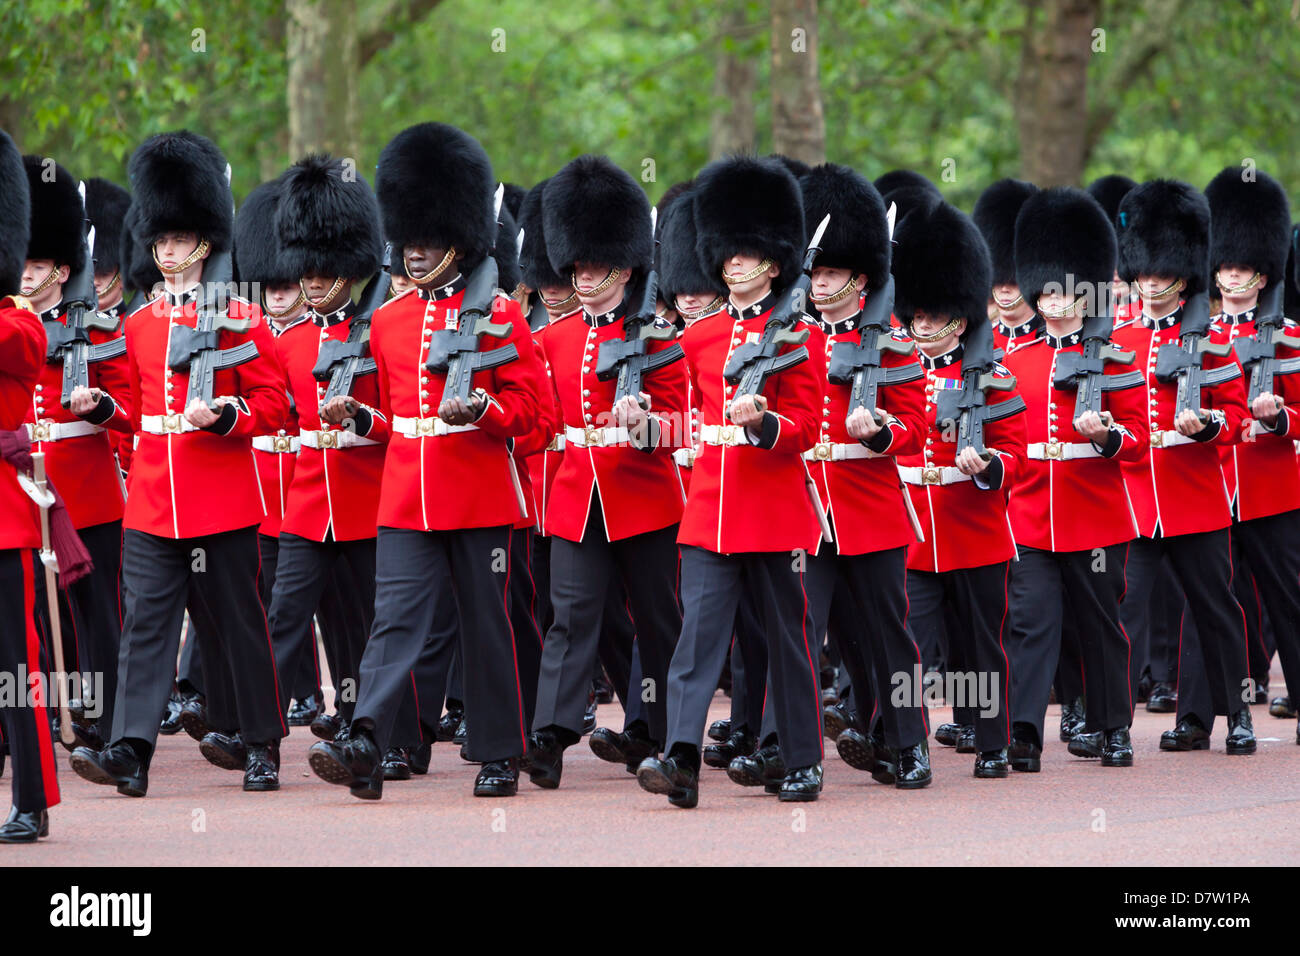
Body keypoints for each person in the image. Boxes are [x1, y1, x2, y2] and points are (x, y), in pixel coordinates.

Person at [306, 122, 545, 800]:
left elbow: (535, 420)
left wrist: (486, 414)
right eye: (410, 240)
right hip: (408, 495)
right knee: (395, 621)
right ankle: (368, 740)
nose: (415, 253)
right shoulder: (388, 320)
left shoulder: (501, 316)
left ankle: (500, 753)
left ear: (460, 242)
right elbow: (393, 421)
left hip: (481, 496)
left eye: (430, 242)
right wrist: (359, 418)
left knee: (486, 626)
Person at [68, 130, 290, 796]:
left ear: (203, 243)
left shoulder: (242, 318)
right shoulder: (136, 324)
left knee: (240, 622)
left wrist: (227, 418)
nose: (167, 252)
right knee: (145, 626)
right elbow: (137, 409)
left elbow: (277, 407)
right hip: (154, 501)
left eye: (178, 241)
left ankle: (262, 742)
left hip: (221, 494)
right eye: (159, 242)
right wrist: (104, 409)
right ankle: (131, 749)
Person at [636, 156, 826, 808]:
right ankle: (681, 756)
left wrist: (767, 422)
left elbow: (807, 426)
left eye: (750, 253)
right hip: (712, 508)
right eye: (730, 251)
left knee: (788, 642)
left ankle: (802, 758)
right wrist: (645, 422)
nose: (736, 263)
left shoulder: (800, 337)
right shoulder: (700, 337)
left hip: (774, 508)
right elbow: (680, 417)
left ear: (775, 262)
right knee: (696, 642)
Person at [521, 155, 687, 788]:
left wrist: (643, 422)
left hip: (643, 496)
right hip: (574, 495)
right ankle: (551, 734)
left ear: (623, 267)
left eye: (595, 266)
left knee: (657, 619)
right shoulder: (555, 339)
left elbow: (680, 428)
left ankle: (668, 730)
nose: (583, 277)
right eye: (577, 265)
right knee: (570, 617)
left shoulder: (658, 338)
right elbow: (540, 423)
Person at [785, 162, 930, 789]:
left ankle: (907, 740)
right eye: (814, 271)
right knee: (806, 633)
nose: (819, 284)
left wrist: (880, 433)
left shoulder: (893, 343)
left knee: (885, 634)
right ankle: (797, 756)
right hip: (807, 506)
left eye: (832, 272)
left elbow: (916, 424)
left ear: (861, 277)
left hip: (868, 505)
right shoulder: (791, 338)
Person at [1002, 187, 1148, 769]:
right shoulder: (1014, 362)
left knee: (1100, 627)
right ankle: (1024, 732)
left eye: (1066, 291)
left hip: (1095, 516)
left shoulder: (1116, 360)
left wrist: (1107, 436)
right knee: (1031, 625)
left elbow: (1136, 442)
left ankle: (1114, 727)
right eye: (1047, 291)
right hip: (1032, 515)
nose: (1056, 302)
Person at [1111, 178, 1254, 755]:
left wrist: (1211, 427)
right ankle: (1112, 723)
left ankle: (1229, 713)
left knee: (1214, 609)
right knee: (1122, 611)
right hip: (1135, 500)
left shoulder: (1213, 339)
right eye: (1143, 273)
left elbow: (1238, 416)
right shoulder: (1117, 339)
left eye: (1160, 273)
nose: (1150, 283)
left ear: (1182, 274)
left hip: (1195, 495)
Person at [894, 195, 1026, 780]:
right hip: (915, 531)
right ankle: (910, 743)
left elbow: (1017, 454)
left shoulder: (994, 378)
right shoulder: (894, 371)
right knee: (910, 646)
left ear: (960, 315)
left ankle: (994, 743)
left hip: (973, 528)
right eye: (915, 317)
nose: (921, 328)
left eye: (932, 317)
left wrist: (989, 466)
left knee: (983, 648)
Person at [20, 157, 133, 753]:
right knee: (36, 618)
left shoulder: (98, 327)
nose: (27, 273)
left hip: (86, 492)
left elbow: (133, 407)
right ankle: (43, 718)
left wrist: (99, 409)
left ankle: (108, 719)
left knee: (97, 617)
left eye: (37, 265)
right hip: (22, 490)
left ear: (61, 269)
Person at [0, 128, 63, 843]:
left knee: (16, 667)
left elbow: (22, 350)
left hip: (4, 519)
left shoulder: (18, 322)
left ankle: (33, 797)